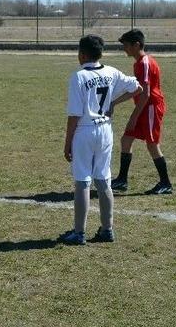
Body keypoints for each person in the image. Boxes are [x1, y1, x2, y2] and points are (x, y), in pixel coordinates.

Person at [59, 35, 141, 245]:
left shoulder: (78, 77)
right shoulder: (111, 71)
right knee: (104, 180)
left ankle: (79, 232)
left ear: (82, 54)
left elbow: (74, 115)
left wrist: (67, 143)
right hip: (105, 130)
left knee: (82, 182)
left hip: (85, 131)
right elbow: (137, 87)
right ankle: (107, 229)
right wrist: (113, 102)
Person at [113, 29, 173, 195]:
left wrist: (133, 117)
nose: (124, 48)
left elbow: (145, 93)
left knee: (152, 144)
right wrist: (114, 102)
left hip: (151, 107)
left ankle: (166, 183)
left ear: (136, 45)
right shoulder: (138, 63)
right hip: (144, 106)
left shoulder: (145, 62)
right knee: (126, 140)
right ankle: (122, 180)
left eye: (126, 45)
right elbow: (137, 91)